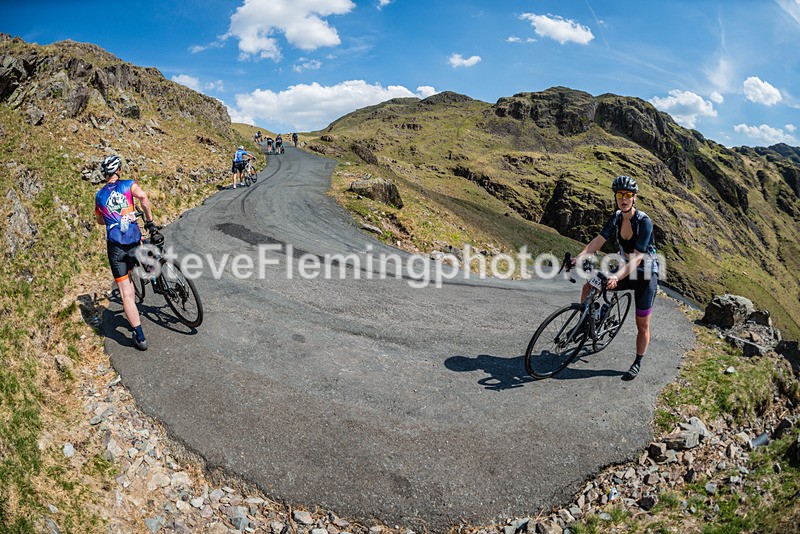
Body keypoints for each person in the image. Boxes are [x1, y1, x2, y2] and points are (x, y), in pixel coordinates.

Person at [571, 175, 659, 381]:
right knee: (588, 287)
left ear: (635, 198)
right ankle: (586, 322)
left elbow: (637, 259)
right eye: (620, 195)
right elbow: (598, 241)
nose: (624, 198)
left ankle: (637, 361)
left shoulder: (644, 222)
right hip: (624, 268)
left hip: (645, 274)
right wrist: (580, 256)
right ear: (616, 197)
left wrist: (616, 278)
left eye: (628, 195)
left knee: (642, 325)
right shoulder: (617, 217)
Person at [95, 154, 157, 351]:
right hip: (133, 241)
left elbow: (99, 221)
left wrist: (112, 218)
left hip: (115, 248)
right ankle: (154, 276)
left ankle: (139, 337)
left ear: (105, 175)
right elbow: (144, 198)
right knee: (143, 253)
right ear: (118, 171)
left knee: (126, 294)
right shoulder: (128, 185)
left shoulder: (99, 196)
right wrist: (149, 220)